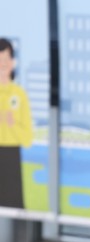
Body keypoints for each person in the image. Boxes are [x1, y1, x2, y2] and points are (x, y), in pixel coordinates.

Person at [0, 37, 33, 209]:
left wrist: (12, 123)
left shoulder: (20, 95)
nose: (2, 64)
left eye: (6, 59)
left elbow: (28, 138)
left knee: (13, 206)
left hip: (12, 155)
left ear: (12, 62)